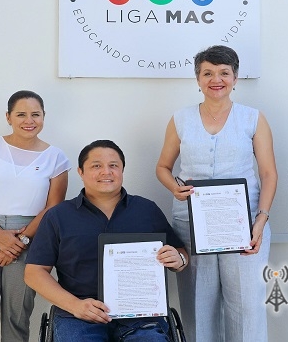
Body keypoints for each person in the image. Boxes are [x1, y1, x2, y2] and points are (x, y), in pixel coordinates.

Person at [156, 45, 278, 342]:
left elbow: (268, 173)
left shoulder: (252, 118)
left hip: (244, 224)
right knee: (198, 305)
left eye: (224, 73)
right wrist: (174, 187)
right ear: (198, 79)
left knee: (247, 307)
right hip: (191, 224)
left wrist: (261, 219)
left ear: (235, 77)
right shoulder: (180, 119)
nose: (216, 79)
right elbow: (163, 167)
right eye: (207, 73)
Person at [24, 139, 188, 341]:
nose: (106, 172)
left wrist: (179, 259)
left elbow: (180, 253)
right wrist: (75, 305)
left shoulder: (147, 210)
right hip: (78, 314)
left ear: (122, 170)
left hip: (140, 314)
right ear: (81, 172)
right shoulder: (58, 216)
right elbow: (34, 273)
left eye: (113, 165)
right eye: (96, 166)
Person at [0, 90, 71, 342]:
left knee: (16, 318)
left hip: (30, 236)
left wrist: (20, 241)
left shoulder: (56, 158)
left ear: (44, 117)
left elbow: (53, 207)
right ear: (8, 117)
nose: (29, 120)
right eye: (21, 114)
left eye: (35, 114)